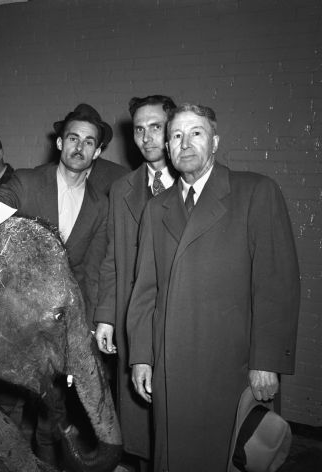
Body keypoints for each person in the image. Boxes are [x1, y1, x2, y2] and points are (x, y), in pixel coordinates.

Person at [127, 103, 300, 471]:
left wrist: (267, 362)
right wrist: (141, 355)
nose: (184, 143)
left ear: (215, 142)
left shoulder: (255, 192)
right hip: (171, 367)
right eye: (176, 135)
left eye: (196, 133)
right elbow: (145, 289)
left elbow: (276, 285)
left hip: (233, 367)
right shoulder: (156, 210)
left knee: (230, 456)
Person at [0, 103, 109, 468]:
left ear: (97, 151)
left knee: (54, 410)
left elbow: (91, 271)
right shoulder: (28, 181)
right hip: (15, 317)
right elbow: (4, 200)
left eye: (88, 142)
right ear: (60, 143)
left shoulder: (100, 206)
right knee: (10, 403)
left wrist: (89, 325)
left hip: (59, 325)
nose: (78, 147)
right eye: (72, 138)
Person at [93, 95, 177, 468]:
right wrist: (107, 316)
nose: (146, 138)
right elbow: (112, 258)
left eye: (155, 127)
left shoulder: (194, 184)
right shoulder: (122, 188)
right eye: (139, 130)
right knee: (142, 426)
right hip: (135, 319)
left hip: (181, 319)